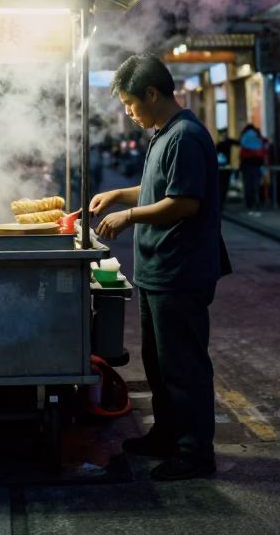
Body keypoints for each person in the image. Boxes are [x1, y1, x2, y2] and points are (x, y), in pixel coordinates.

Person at [90, 54, 222, 482]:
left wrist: (129, 217)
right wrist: (119, 196)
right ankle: (167, 434)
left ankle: (195, 452)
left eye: (130, 103)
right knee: (159, 363)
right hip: (156, 271)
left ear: (152, 93)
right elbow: (155, 190)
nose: (129, 112)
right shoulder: (164, 134)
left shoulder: (185, 135)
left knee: (183, 365)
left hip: (179, 271)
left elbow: (185, 202)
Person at [238, 124, 267, 216]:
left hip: (246, 164)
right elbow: (264, 145)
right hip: (257, 164)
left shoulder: (245, 136)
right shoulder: (257, 136)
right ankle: (257, 202)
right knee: (256, 184)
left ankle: (249, 203)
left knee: (248, 184)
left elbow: (241, 148)